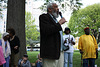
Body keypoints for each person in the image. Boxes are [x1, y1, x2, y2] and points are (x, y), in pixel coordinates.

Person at [39, 3, 66, 67]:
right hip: (50, 52)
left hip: (60, 51)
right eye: (56, 7)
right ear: (50, 9)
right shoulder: (44, 17)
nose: (58, 9)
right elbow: (47, 30)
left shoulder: (55, 20)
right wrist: (59, 24)